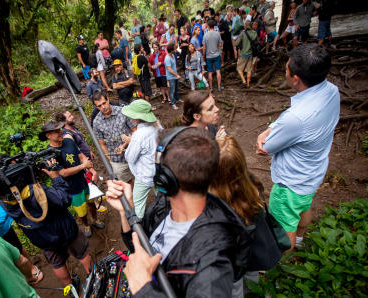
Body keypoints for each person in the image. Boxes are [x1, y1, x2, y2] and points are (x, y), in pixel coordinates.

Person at [105, 127, 251, 297]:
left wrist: (143, 288)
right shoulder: (164, 204)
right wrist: (126, 211)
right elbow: (140, 242)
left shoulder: (211, 264)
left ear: (165, 178)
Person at [256, 44, 339, 251]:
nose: (284, 70)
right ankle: (301, 237)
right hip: (313, 171)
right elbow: (289, 125)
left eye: (286, 68)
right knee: (303, 206)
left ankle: (283, 264)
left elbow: (266, 147)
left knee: (283, 231)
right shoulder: (332, 91)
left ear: (295, 79)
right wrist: (273, 127)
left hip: (290, 183)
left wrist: (264, 135)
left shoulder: (296, 118)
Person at [0, 154, 91, 288]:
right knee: (82, 253)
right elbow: (63, 199)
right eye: (14, 165)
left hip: (42, 238)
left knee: (57, 263)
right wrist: (56, 177)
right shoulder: (33, 191)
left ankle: (71, 289)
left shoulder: (4, 199)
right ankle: (93, 278)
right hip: (64, 229)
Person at [209, 137, 271, 297]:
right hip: (251, 255)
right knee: (250, 282)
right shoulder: (253, 189)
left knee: (234, 290)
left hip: (229, 265)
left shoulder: (210, 202)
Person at [40, 120, 105, 238]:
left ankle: (95, 220)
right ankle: (86, 225)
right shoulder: (49, 154)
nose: (60, 132)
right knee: (81, 211)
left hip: (84, 181)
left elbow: (81, 156)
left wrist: (92, 170)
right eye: (55, 131)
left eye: (59, 129)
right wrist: (83, 166)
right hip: (72, 189)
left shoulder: (69, 141)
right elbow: (63, 173)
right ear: (48, 136)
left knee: (91, 203)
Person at [121, 100, 161, 219]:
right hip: (158, 170)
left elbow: (130, 157)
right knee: (161, 195)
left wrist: (130, 143)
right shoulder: (157, 126)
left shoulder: (139, 134)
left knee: (138, 202)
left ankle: (139, 229)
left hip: (145, 174)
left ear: (137, 117)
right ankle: (165, 214)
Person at [92, 91, 137, 183]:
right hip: (117, 160)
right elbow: (102, 144)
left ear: (108, 99)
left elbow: (135, 131)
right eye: (99, 106)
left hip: (134, 152)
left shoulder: (122, 111)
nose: (103, 107)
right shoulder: (96, 122)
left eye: (104, 103)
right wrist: (110, 160)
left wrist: (124, 145)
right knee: (127, 184)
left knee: (145, 178)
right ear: (96, 107)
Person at [236, 21, 258, 88]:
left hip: (243, 54)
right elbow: (257, 42)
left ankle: (244, 82)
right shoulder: (255, 33)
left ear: (245, 25)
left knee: (239, 69)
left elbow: (236, 43)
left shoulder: (243, 33)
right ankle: (248, 84)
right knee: (249, 70)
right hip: (250, 54)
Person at [203, 19, 223, 92]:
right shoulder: (217, 34)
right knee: (218, 71)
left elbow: (204, 48)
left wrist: (203, 55)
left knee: (210, 72)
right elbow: (220, 44)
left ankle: (211, 87)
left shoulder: (205, 35)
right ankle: (219, 86)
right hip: (217, 55)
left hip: (208, 56)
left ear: (208, 26)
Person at [164, 43, 181, 110]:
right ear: (171, 50)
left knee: (176, 89)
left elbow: (173, 67)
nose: (175, 49)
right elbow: (169, 69)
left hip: (175, 76)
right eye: (174, 48)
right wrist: (176, 75)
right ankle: (173, 103)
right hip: (171, 77)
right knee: (172, 91)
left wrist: (176, 74)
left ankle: (177, 99)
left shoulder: (173, 55)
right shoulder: (167, 58)